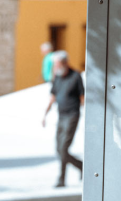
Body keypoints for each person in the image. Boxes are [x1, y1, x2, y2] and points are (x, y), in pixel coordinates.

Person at [42, 50, 84, 188]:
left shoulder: (76, 76)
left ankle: (61, 179)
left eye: (57, 64)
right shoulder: (58, 78)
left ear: (65, 63)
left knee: (63, 148)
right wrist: (45, 114)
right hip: (61, 116)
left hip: (72, 116)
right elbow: (53, 96)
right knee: (59, 149)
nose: (55, 67)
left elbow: (82, 98)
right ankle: (81, 166)